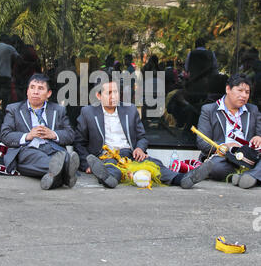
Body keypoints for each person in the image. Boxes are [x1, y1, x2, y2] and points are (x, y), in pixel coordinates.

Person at [74, 77, 212, 189]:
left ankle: (182, 179)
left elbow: (142, 137)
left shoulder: (130, 110)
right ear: (98, 96)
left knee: (153, 164)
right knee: (111, 167)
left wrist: (140, 148)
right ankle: (107, 178)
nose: (113, 96)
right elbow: (79, 143)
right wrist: (87, 165)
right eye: (108, 93)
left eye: (115, 92)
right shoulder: (88, 112)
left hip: (129, 154)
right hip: (105, 156)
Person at [0, 73, 79, 190]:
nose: (35, 92)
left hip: (53, 148)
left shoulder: (59, 110)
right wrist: (28, 135)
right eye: (32, 87)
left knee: (62, 157)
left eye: (40, 88)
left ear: (49, 94)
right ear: (27, 91)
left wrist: (53, 134)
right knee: (44, 159)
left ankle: (56, 178)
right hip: (28, 150)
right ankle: (66, 174)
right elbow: (5, 135)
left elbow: (70, 135)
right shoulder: (14, 109)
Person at [196, 74, 261, 189]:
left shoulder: (253, 110)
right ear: (228, 89)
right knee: (214, 167)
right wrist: (225, 146)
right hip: (224, 157)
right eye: (240, 90)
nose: (244, 95)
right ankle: (250, 175)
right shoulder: (209, 110)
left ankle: (248, 176)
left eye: (247, 92)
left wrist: (259, 137)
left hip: (249, 157)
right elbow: (202, 142)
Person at [0, 34, 21, 117]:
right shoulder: (9, 48)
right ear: (7, 40)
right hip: (6, 76)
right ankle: (4, 114)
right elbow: (18, 58)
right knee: (5, 96)